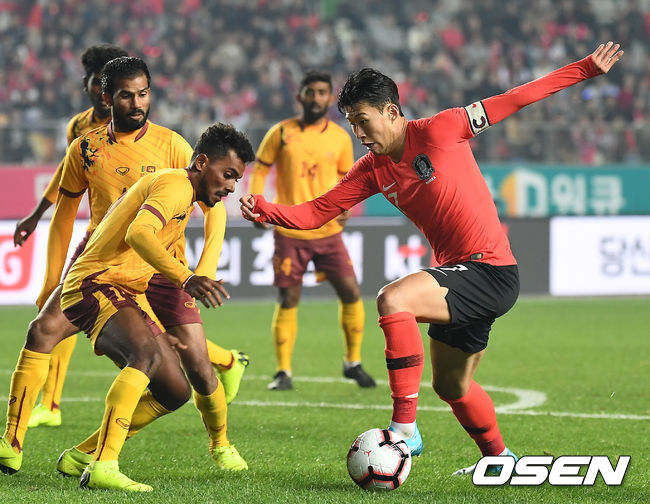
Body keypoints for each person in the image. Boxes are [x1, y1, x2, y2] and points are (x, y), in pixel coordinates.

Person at [241, 43, 624, 474]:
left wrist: (585, 69)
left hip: (490, 269)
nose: (359, 134)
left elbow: (517, 97)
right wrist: (266, 209)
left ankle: (404, 428)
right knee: (452, 386)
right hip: (459, 275)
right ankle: (501, 461)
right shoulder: (372, 169)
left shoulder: (443, 128)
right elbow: (317, 211)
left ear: (391, 111)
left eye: (363, 121)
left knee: (393, 299)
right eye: (351, 124)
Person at [0, 57, 244, 476]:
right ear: (106, 97)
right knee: (43, 330)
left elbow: (215, 208)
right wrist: (52, 276)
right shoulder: (85, 148)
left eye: (143, 94)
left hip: (164, 267)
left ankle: (221, 444)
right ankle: (12, 444)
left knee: (197, 369)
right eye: (127, 96)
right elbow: (65, 212)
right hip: (104, 260)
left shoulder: (173, 144)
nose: (137, 103)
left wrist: (201, 270)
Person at [55, 122, 255, 491]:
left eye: (236, 179)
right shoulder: (175, 185)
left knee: (175, 390)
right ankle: (103, 466)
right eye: (228, 174)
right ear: (201, 162)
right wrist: (187, 277)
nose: (231, 186)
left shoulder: (187, 194)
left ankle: (84, 454)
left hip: (126, 288)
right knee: (144, 356)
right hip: (95, 283)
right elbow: (138, 233)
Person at [13, 44, 127, 429]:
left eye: (110, 83)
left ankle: (226, 362)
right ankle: (51, 404)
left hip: (137, 239)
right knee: (61, 308)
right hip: (97, 236)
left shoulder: (138, 128)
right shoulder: (78, 129)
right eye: (98, 82)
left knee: (165, 325)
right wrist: (36, 215)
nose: (103, 91)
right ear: (88, 83)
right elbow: (67, 180)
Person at [249, 70, 375, 391]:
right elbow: (260, 169)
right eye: (311, 92)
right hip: (290, 230)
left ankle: (353, 362)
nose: (316, 98)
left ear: (330, 98)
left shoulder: (340, 137)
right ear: (300, 96)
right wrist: (257, 202)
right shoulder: (281, 133)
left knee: (351, 292)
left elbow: (348, 178)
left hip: (328, 230)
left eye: (322, 92)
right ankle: (283, 371)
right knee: (288, 297)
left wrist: (347, 205)